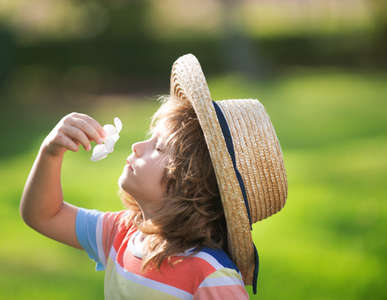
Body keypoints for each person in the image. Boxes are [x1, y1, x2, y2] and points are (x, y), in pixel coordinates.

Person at [20, 54, 288, 299]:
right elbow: (44, 215)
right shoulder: (120, 233)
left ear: (189, 184)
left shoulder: (210, 276)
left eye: (158, 147)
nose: (138, 146)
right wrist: (50, 153)